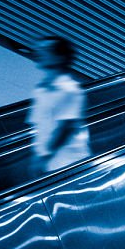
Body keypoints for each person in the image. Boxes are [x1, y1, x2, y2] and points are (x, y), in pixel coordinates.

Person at [28, 36, 91, 175]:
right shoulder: (41, 89)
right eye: (38, 48)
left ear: (61, 57)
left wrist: (43, 156)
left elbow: (65, 127)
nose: (38, 52)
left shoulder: (69, 89)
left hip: (71, 162)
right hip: (52, 163)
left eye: (45, 49)